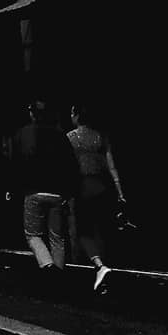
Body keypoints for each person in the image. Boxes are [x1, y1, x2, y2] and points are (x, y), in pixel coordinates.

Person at [10, 101, 79, 278]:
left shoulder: (22, 134)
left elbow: (16, 164)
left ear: (32, 114)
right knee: (57, 236)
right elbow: (70, 164)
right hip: (57, 192)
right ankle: (60, 272)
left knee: (33, 235)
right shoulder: (60, 135)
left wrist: (13, 187)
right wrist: (68, 191)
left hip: (33, 191)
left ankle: (49, 268)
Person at [66, 104, 124, 292]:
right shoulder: (101, 136)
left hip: (82, 187)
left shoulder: (71, 138)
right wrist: (120, 192)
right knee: (102, 229)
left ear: (75, 115)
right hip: (103, 186)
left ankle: (99, 266)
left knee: (83, 230)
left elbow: (66, 167)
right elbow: (111, 166)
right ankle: (105, 269)